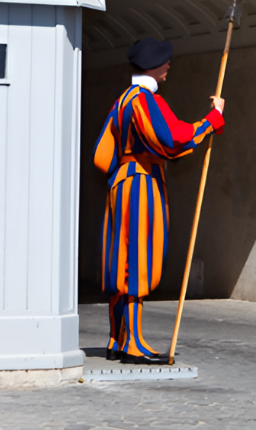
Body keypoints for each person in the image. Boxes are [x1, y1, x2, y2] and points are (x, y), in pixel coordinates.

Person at [93, 37, 225, 365]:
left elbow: (102, 153)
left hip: (122, 182)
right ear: (152, 65)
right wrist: (211, 120)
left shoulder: (122, 100)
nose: (168, 67)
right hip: (140, 184)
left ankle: (117, 339)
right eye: (164, 62)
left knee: (122, 261)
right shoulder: (144, 100)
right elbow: (172, 139)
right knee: (137, 261)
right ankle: (132, 344)